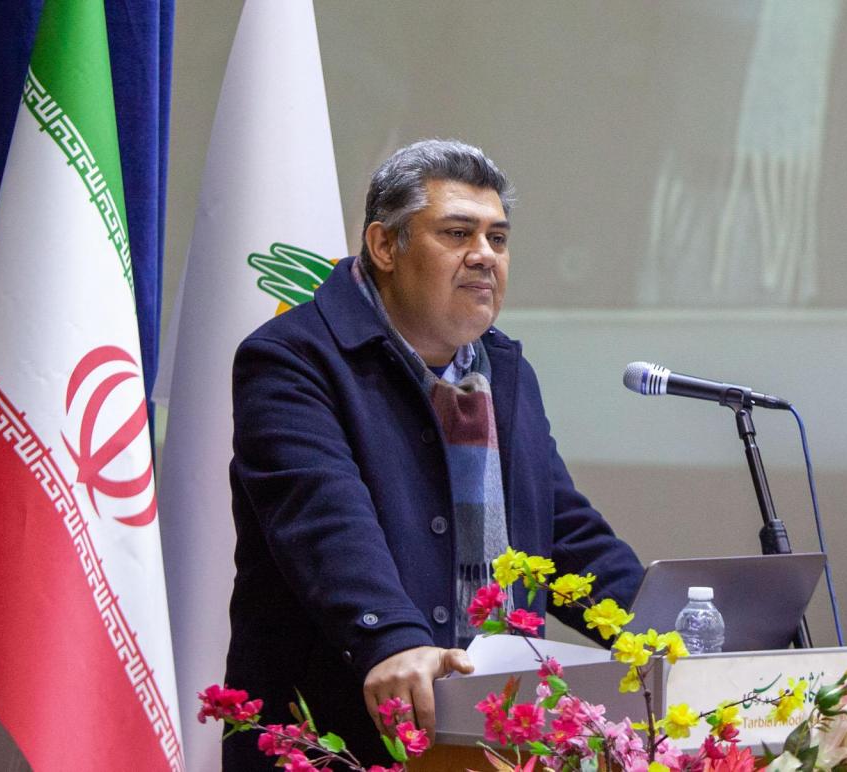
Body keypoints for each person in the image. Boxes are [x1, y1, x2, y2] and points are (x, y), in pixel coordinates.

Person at [224, 139, 644, 768]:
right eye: (457, 233)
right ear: (384, 246)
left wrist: (661, 634)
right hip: (342, 736)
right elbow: (324, 518)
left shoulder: (503, 370)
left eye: (498, 239)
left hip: (497, 738)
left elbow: (560, 530)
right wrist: (392, 638)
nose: (484, 255)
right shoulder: (292, 359)